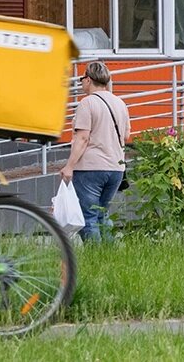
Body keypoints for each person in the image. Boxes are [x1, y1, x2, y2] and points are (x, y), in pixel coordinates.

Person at [60, 60, 129, 242]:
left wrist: (69, 166)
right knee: (101, 214)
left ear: (89, 79)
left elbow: (82, 138)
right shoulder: (120, 103)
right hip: (116, 169)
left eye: (82, 79)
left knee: (87, 217)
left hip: (90, 168)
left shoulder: (87, 103)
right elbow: (126, 135)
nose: (81, 82)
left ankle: (94, 254)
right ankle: (108, 254)